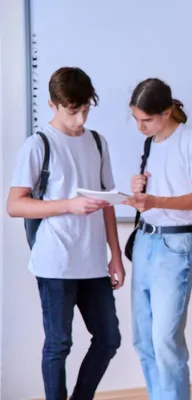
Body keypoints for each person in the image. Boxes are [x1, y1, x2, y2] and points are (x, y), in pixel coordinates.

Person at [6, 67, 123, 400]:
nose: (81, 118)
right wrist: (68, 205)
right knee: (59, 344)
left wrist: (115, 254)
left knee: (108, 338)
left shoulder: (98, 142)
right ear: (52, 105)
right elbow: (15, 205)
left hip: (94, 262)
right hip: (55, 262)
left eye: (86, 108)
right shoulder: (38, 145)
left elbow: (108, 202)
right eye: (74, 111)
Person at [123, 78, 192, 400]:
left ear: (167, 112)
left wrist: (156, 201)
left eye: (145, 120)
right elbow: (153, 196)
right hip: (146, 242)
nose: (139, 126)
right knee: (143, 341)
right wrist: (140, 191)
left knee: (165, 340)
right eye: (135, 119)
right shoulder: (149, 145)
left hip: (176, 246)